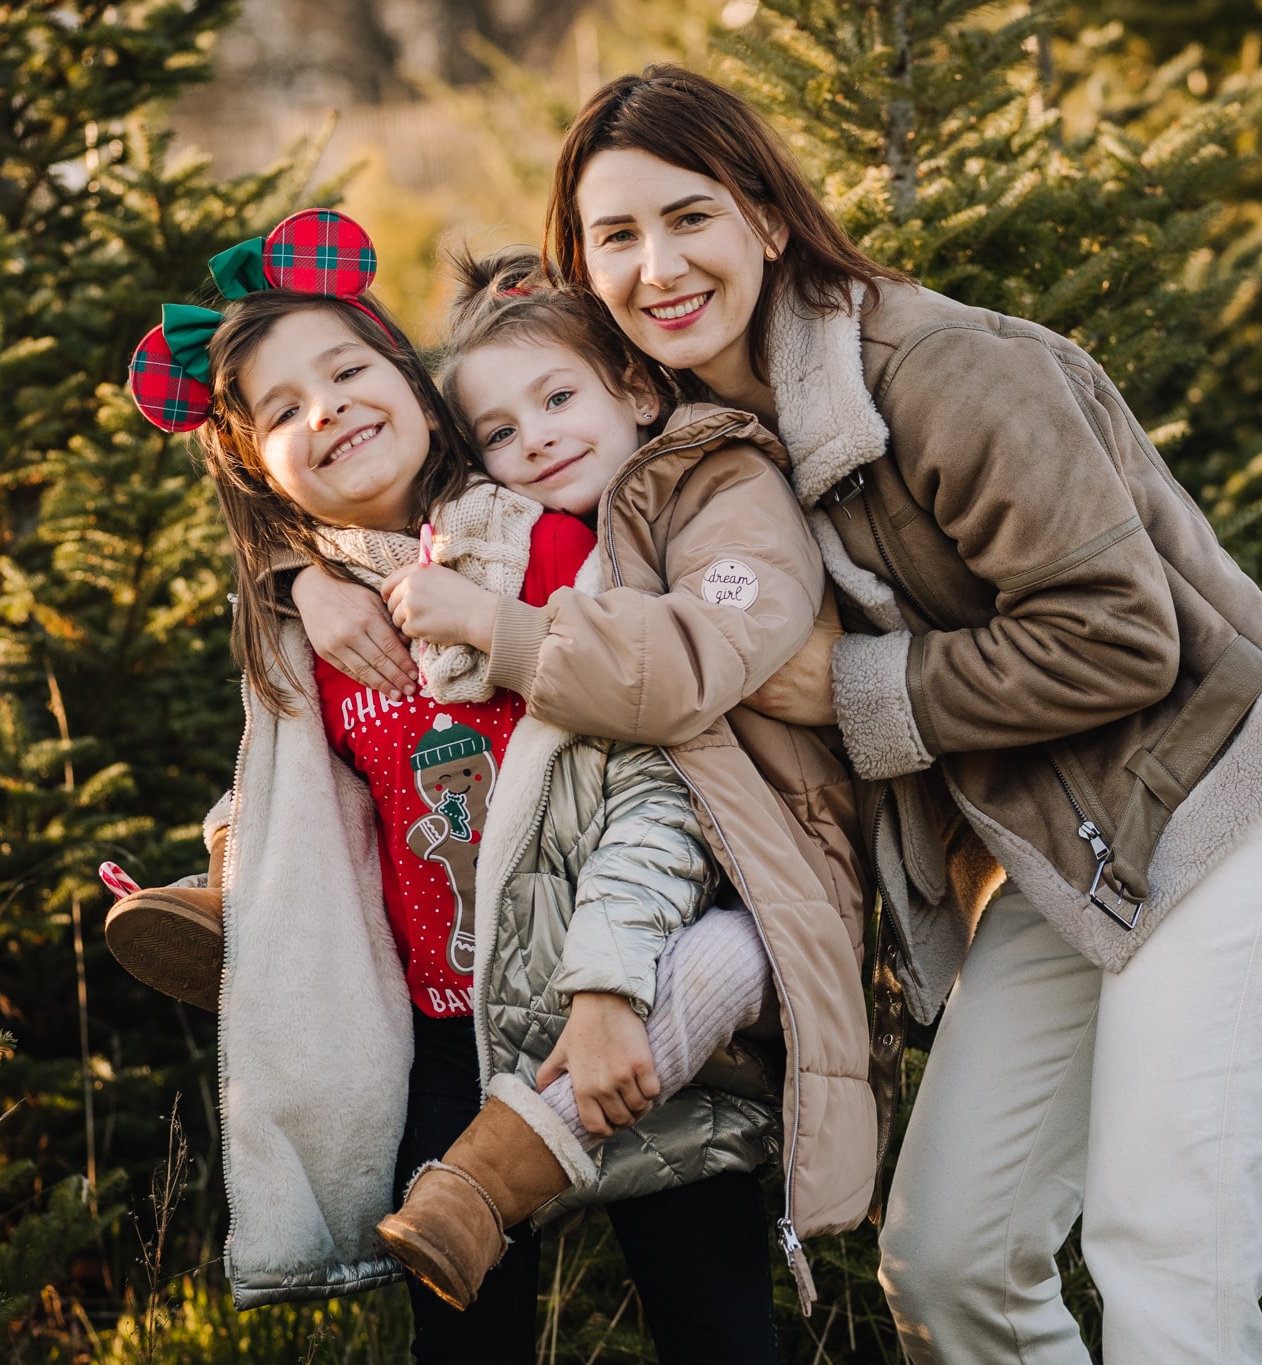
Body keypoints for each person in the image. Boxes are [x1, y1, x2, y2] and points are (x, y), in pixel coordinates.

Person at [542, 66, 1262, 1365]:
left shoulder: (940, 372)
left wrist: (852, 690)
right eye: (617, 236)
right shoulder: (699, 447)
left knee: (1167, 1255)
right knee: (953, 1259)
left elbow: (1120, 634)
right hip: (1067, 844)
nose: (657, 266)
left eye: (689, 216)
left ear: (767, 218)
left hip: (1222, 799)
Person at [109, 209, 787, 1363]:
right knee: (462, 1336)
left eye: (345, 371)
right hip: (443, 1033)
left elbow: (650, 779)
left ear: (420, 396)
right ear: (253, 466)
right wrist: (292, 584)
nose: (322, 409)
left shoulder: (548, 551)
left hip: (616, 995)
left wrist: (611, 980)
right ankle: (231, 897)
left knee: (713, 1325)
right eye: (281, 412)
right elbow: (307, 798)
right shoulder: (300, 630)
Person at [296, 241, 880, 1314]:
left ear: (635, 384)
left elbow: (674, 692)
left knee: (714, 960)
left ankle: (490, 1174)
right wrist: (289, 575)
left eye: (558, 396)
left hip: (773, 860)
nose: (538, 438)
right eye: (502, 434)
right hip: (657, 859)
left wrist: (489, 623)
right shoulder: (553, 536)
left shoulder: (718, 483)